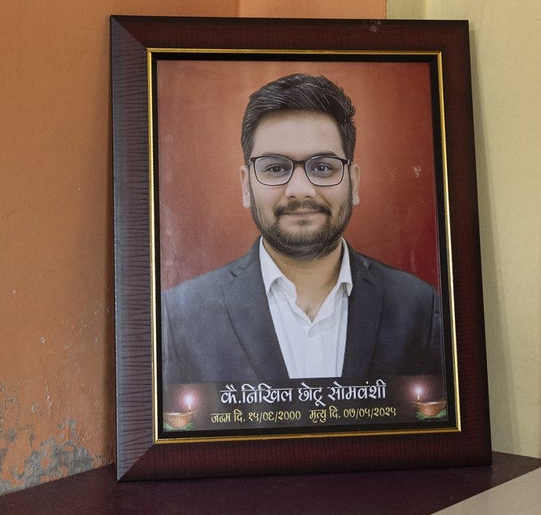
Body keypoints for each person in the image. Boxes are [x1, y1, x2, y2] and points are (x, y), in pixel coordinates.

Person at [160, 73, 448, 386]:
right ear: (246, 185)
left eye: (323, 167)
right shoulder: (179, 317)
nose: (300, 190)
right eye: (276, 168)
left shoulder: (418, 306)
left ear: (353, 182)